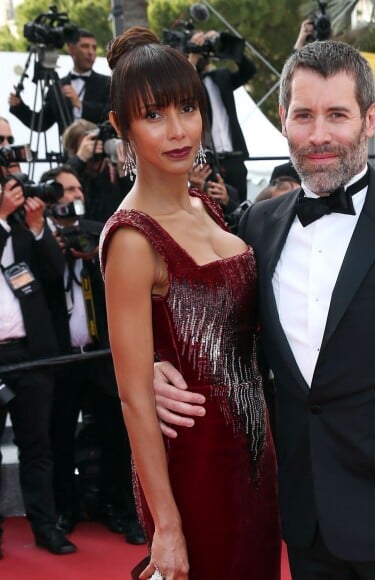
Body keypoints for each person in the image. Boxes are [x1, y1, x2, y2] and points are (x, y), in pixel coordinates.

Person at [154, 40, 375, 579]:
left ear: (370, 118)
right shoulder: (259, 225)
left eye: (337, 115)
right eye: (304, 115)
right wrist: (155, 366)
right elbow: (219, 334)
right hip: (304, 519)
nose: (319, 136)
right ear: (284, 118)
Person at [99, 27, 280, 580]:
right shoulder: (132, 239)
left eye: (186, 108)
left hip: (255, 460)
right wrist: (167, 526)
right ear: (122, 129)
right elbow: (133, 399)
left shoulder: (206, 206)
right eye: (154, 116)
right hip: (194, 468)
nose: (178, 131)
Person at [41, 166, 144, 545]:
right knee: (60, 437)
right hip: (58, 360)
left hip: (102, 355)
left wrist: (89, 245)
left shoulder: (101, 232)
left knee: (116, 436)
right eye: (63, 189)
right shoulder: (37, 238)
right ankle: (66, 509)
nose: (71, 195)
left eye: (76, 188)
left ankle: (121, 509)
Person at [0, 164, 76, 555]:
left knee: (37, 446)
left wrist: (36, 226)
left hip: (32, 353)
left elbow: (55, 272)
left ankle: (46, 528)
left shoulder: (19, 228)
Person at [187, 29, 255, 201]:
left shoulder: (221, 77)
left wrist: (223, 44)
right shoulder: (185, 83)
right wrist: (192, 57)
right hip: (208, 162)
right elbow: (183, 88)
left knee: (239, 208)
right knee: (213, 209)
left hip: (234, 157)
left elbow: (249, 70)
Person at [8, 29, 110, 135]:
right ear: (71, 49)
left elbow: (113, 115)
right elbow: (41, 123)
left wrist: (80, 105)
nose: (91, 52)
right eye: (85, 46)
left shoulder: (107, 83)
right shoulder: (57, 86)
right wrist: (19, 106)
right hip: (68, 150)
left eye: (94, 47)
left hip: (100, 148)